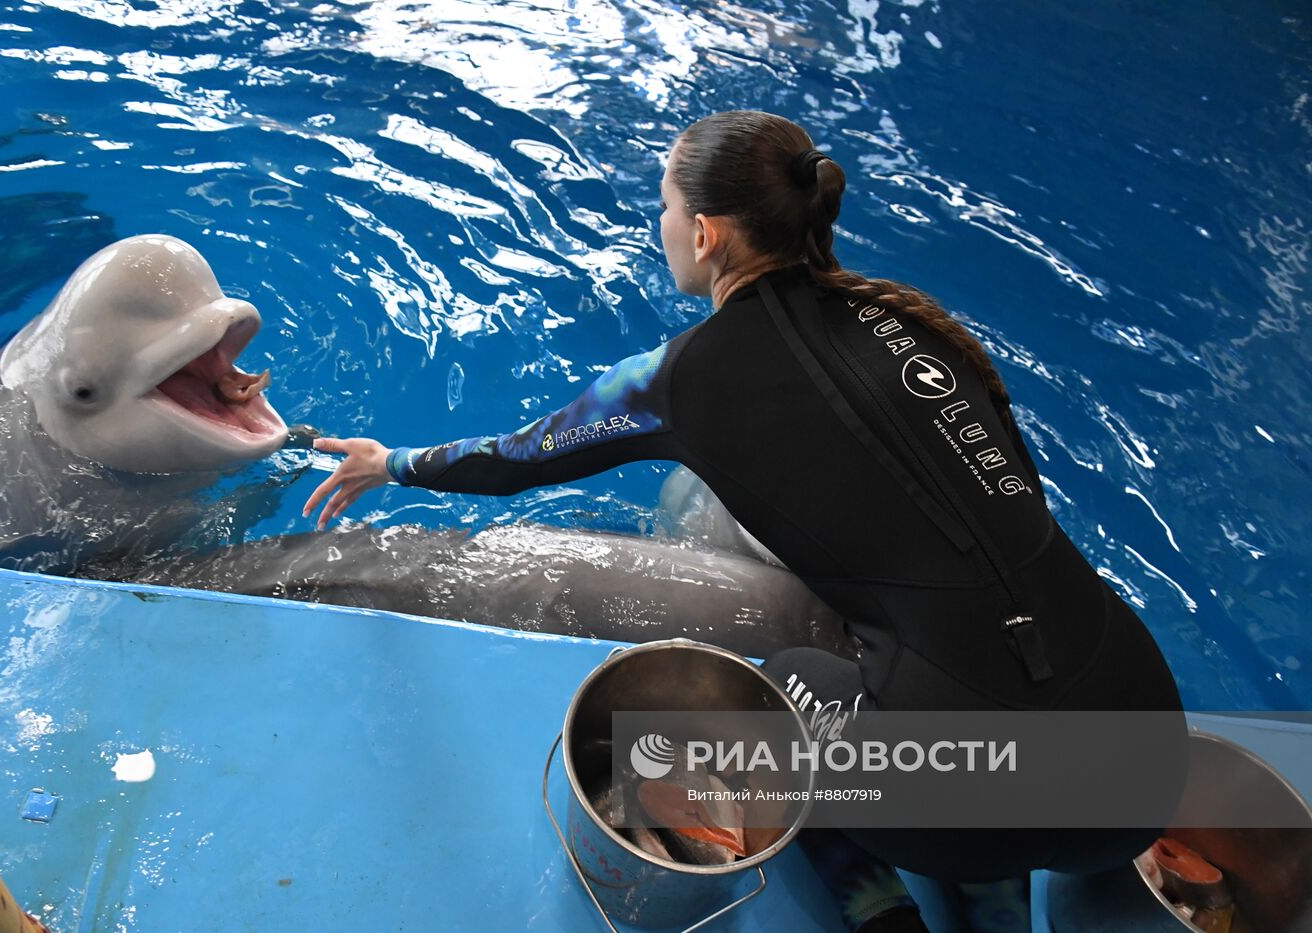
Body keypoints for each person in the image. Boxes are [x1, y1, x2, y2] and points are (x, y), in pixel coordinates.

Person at [304, 111, 1185, 931]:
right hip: (1145, 754)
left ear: (704, 233)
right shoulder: (907, 322)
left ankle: (887, 911)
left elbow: (520, 456)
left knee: (759, 689)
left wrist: (393, 463)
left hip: (956, 800)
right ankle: (998, 899)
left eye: (663, 206)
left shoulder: (684, 377)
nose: (658, 225)